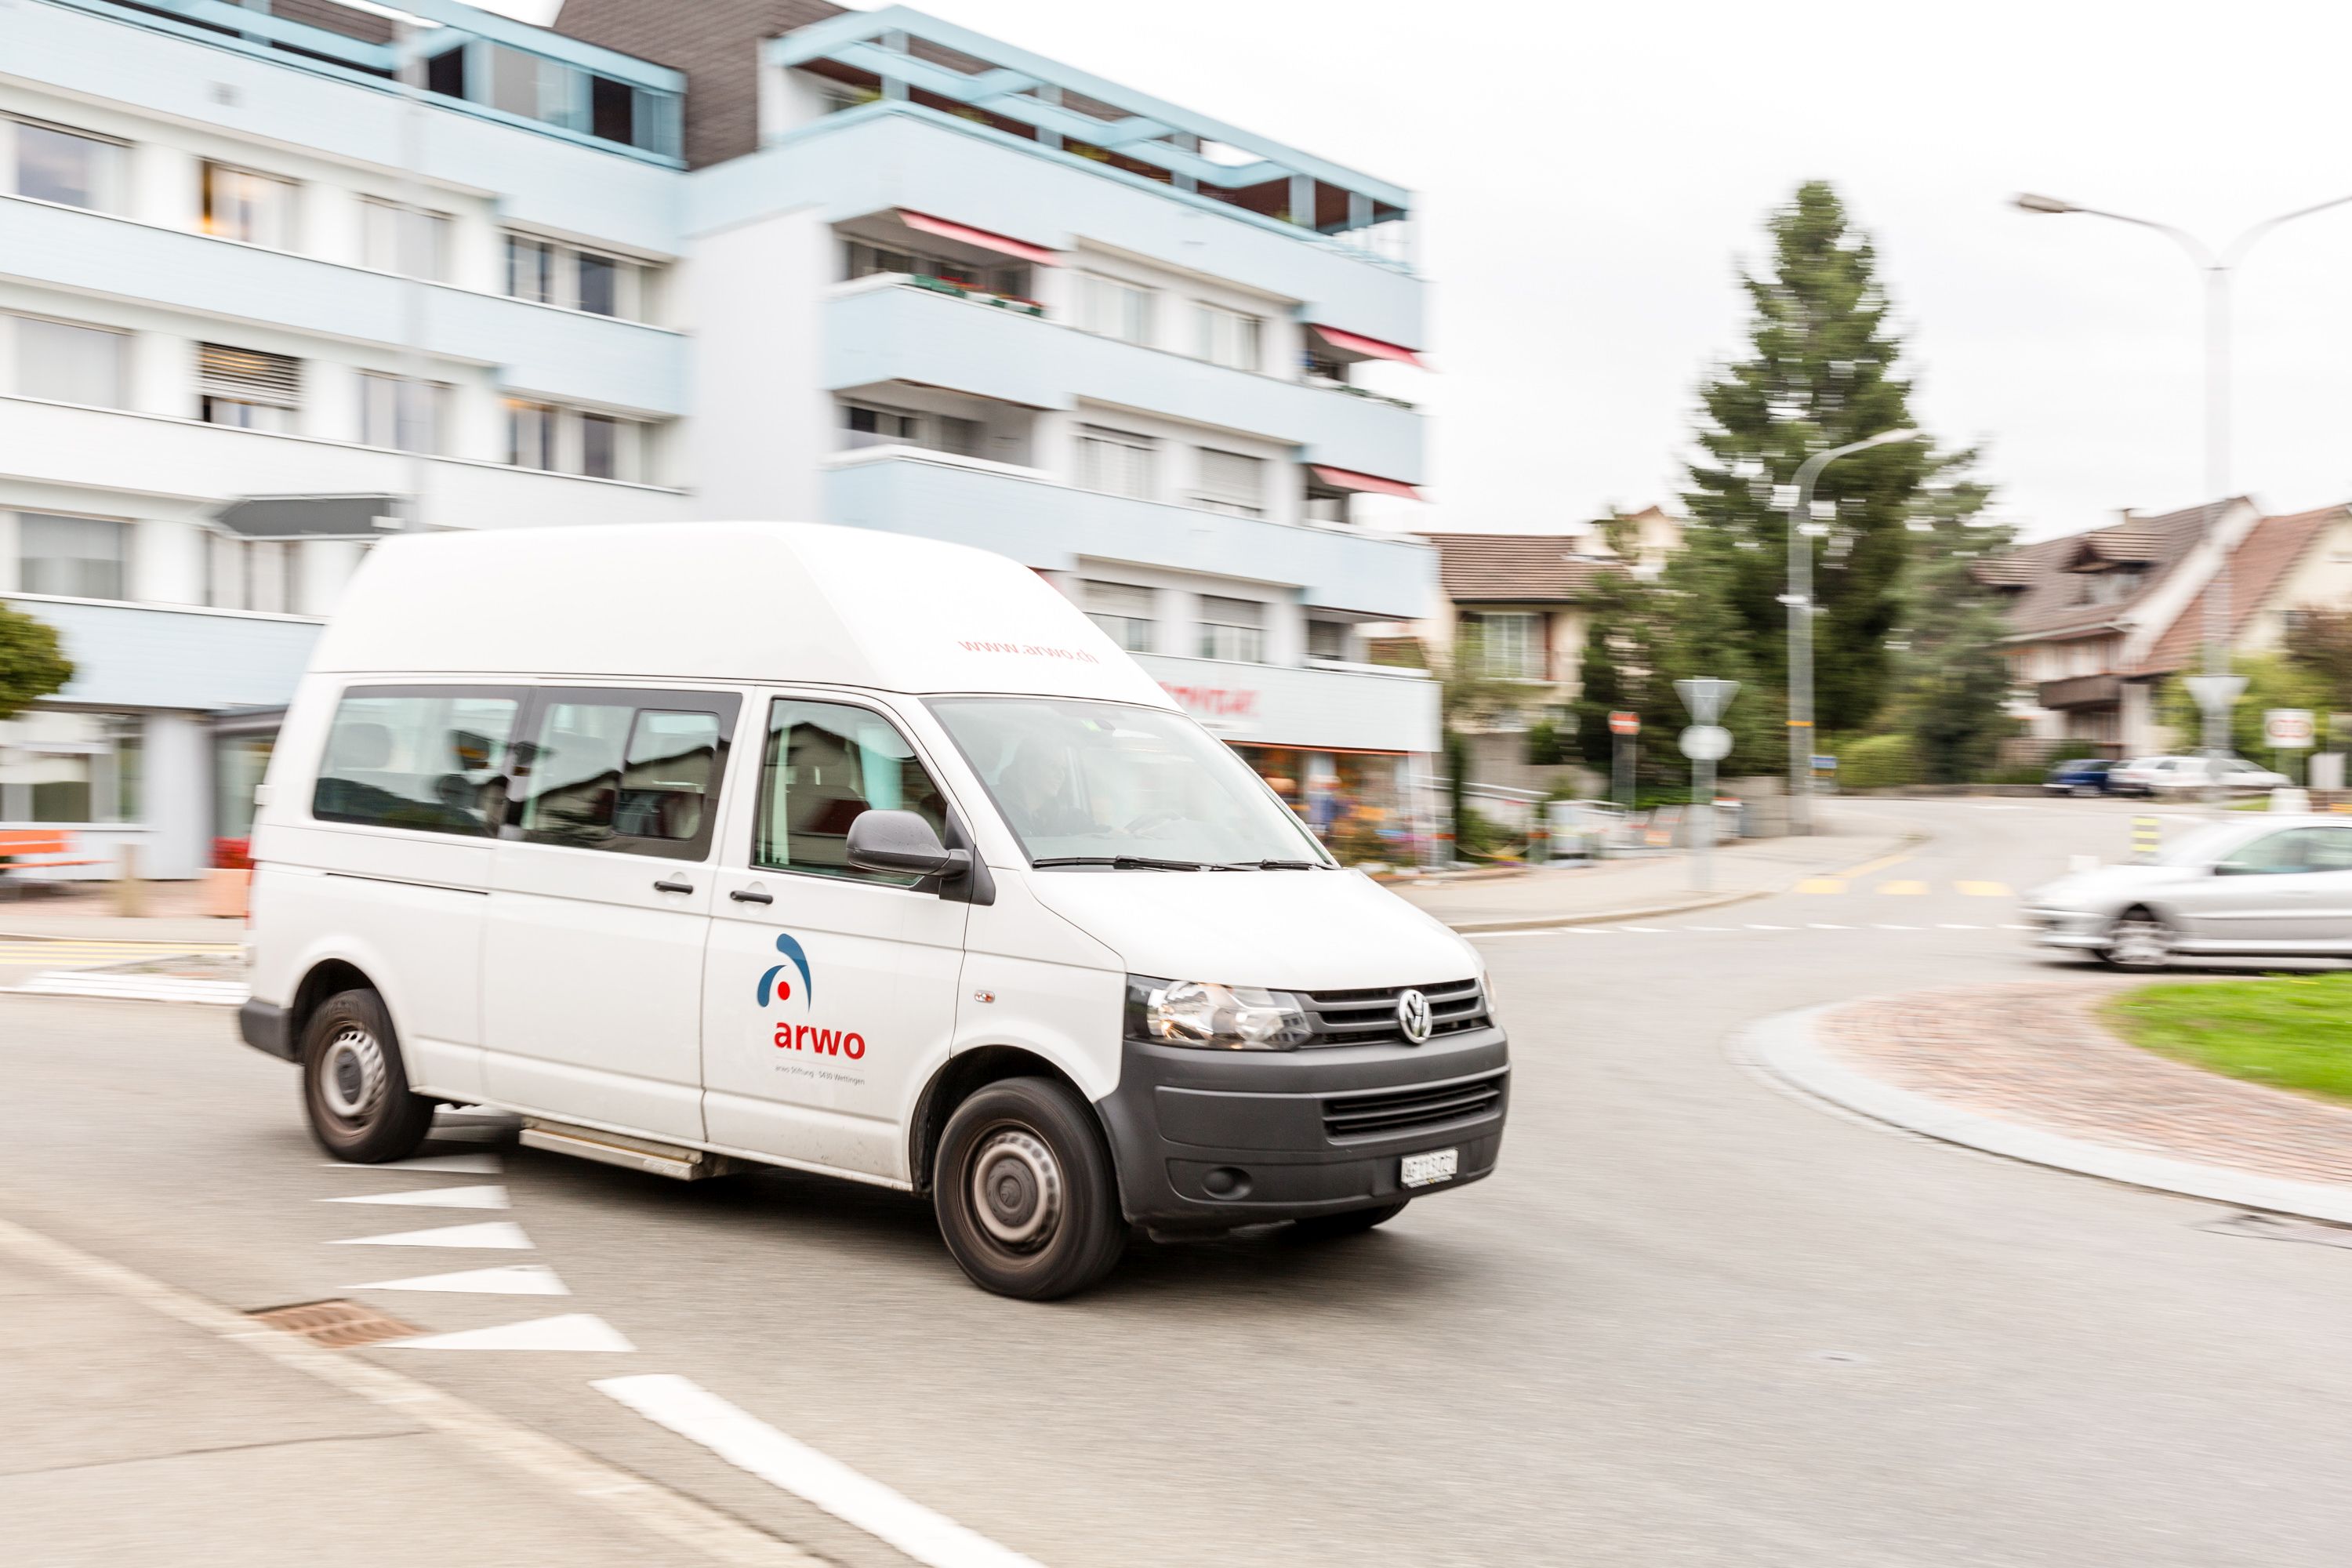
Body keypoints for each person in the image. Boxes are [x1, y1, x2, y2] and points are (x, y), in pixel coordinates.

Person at [998, 738, 1094, 839]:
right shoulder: (998, 811)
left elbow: (1099, 834)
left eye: (1063, 768)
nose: (1060, 775)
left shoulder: (1064, 814)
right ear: (1025, 768)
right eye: (1052, 765)